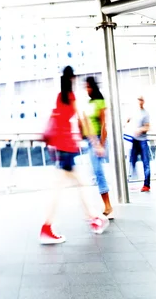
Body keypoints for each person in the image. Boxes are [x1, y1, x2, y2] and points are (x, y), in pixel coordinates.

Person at [40, 66, 109, 245]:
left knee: (79, 184)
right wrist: (96, 143)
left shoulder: (60, 97)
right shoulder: (70, 97)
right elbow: (84, 121)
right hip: (67, 149)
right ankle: (47, 227)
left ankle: (93, 218)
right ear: (73, 79)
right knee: (71, 186)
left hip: (61, 149)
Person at [84, 76, 113, 219]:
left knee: (98, 171)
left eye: (88, 87)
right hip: (90, 140)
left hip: (98, 141)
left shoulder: (100, 102)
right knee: (96, 172)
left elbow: (103, 125)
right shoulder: (89, 103)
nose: (86, 90)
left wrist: (101, 144)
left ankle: (108, 205)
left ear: (93, 87)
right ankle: (104, 204)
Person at [127, 96, 151, 192]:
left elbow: (148, 127)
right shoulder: (134, 111)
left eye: (141, 99)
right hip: (135, 140)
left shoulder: (145, 114)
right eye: (138, 99)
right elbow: (129, 120)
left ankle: (146, 185)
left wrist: (140, 130)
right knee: (132, 161)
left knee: (146, 163)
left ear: (143, 101)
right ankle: (133, 182)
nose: (139, 101)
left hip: (143, 141)